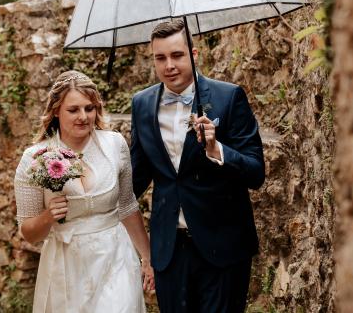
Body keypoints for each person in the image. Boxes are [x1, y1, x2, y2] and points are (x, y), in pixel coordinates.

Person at [131, 19, 265, 312]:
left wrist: (217, 149)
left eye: (177, 55)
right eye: (160, 57)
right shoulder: (141, 104)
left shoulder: (228, 97)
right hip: (169, 252)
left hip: (223, 248)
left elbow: (256, 173)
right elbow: (135, 179)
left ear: (194, 53)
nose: (169, 65)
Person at [14, 70, 154, 312]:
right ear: (56, 111)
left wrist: (148, 258)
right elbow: (28, 232)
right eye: (73, 110)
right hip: (66, 265)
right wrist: (48, 216)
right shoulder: (35, 158)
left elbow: (128, 206)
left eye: (89, 108)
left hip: (115, 257)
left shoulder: (115, 144)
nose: (83, 117)